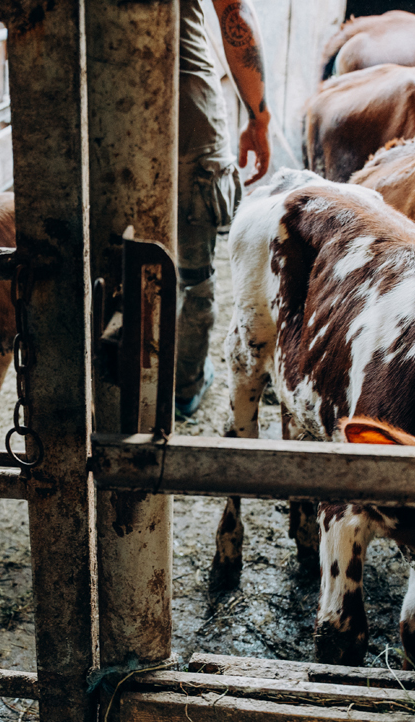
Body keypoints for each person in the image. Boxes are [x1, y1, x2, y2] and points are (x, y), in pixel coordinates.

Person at [176, 0, 272, 417]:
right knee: (191, 274)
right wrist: (258, 117)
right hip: (186, 110)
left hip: (86, 106)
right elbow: (234, 15)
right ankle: (183, 386)